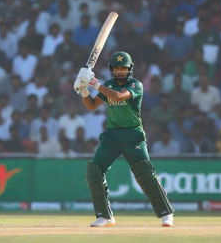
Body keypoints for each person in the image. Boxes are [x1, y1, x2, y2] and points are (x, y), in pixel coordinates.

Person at [73, 51, 174, 227]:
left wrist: (94, 82)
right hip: (112, 135)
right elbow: (91, 106)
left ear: (129, 69)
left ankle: (166, 213)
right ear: (112, 69)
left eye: (123, 68)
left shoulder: (136, 85)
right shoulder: (109, 84)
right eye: (117, 68)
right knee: (94, 172)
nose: (120, 71)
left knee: (145, 174)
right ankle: (104, 216)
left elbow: (118, 96)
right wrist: (83, 91)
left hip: (132, 135)